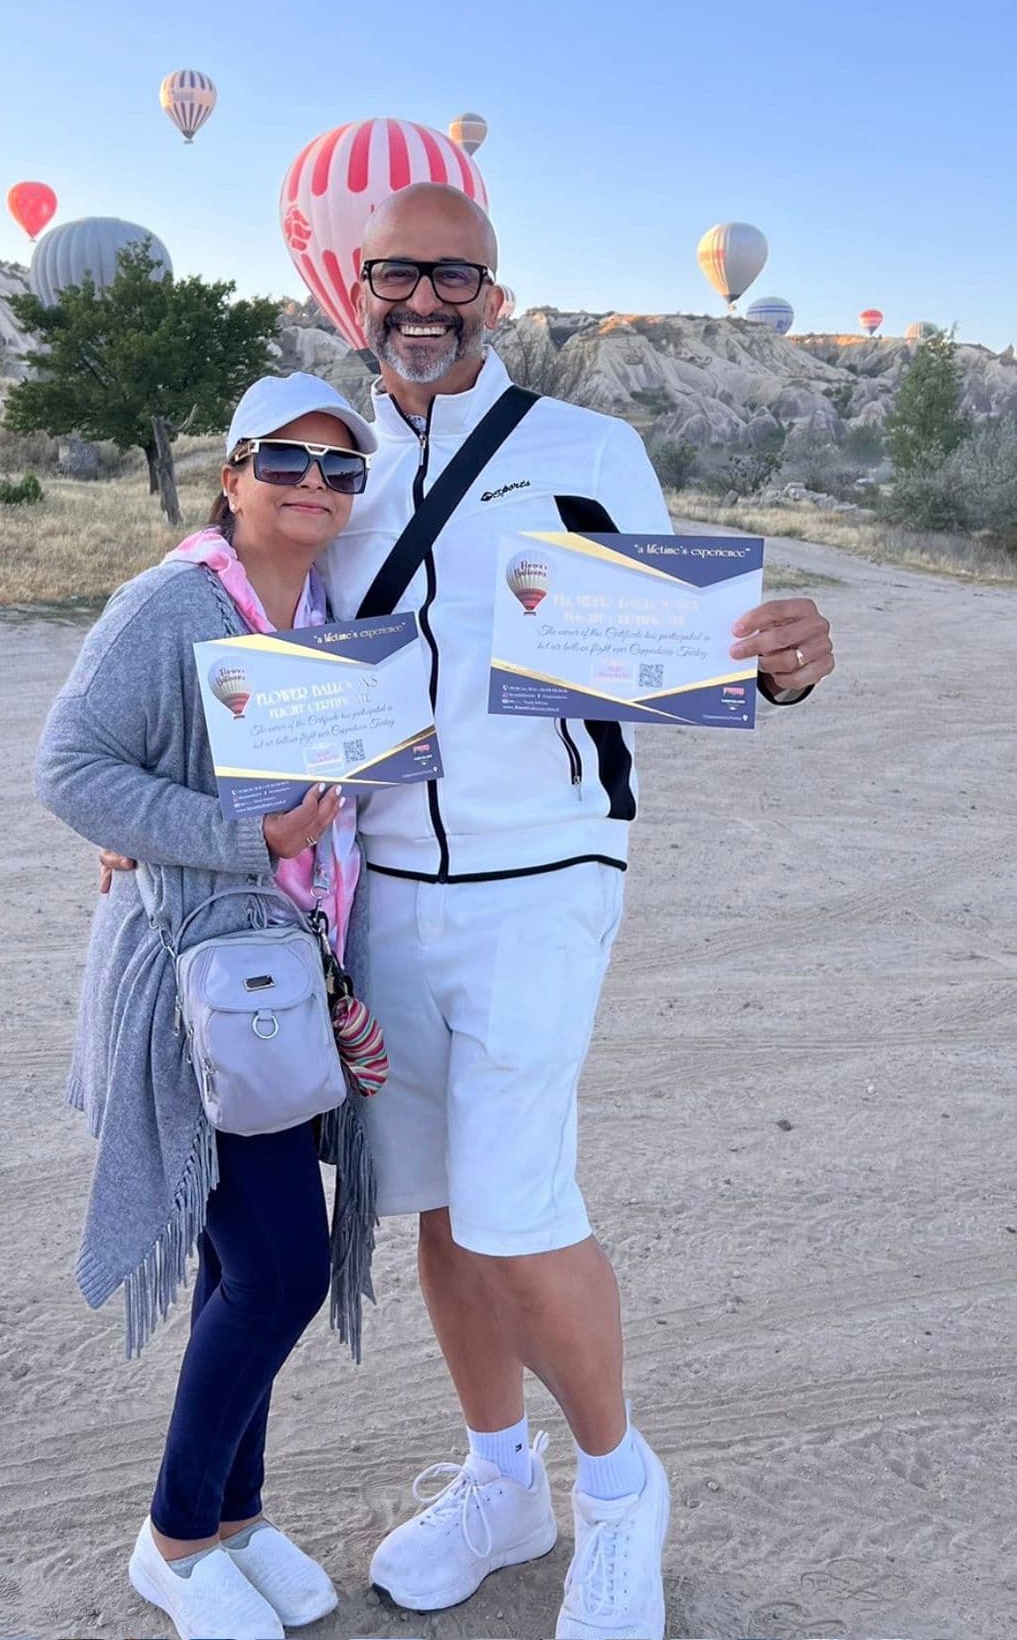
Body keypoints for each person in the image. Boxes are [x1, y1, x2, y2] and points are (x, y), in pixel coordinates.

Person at [316, 183, 835, 1640]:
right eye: (396, 276)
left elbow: (672, 647)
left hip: (548, 869)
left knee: (517, 1205)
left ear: (498, 292)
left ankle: (618, 1492)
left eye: (456, 278)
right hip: (380, 883)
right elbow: (268, 634)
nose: (425, 302)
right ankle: (503, 1483)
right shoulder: (327, 456)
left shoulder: (586, 447)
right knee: (435, 1209)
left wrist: (778, 662)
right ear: (354, 288)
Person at [34, 375, 380, 1640]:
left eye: (340, 468)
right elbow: (70, 767)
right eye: (286, 458)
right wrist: (234, 835)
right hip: (195, 990)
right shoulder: (172, 603)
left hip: (281, 983)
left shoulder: (335, 620)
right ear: (232, 473)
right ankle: (175, 1538)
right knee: (284, 1264)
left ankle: (236, 1514)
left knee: (246, 1257)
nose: (314, 483)